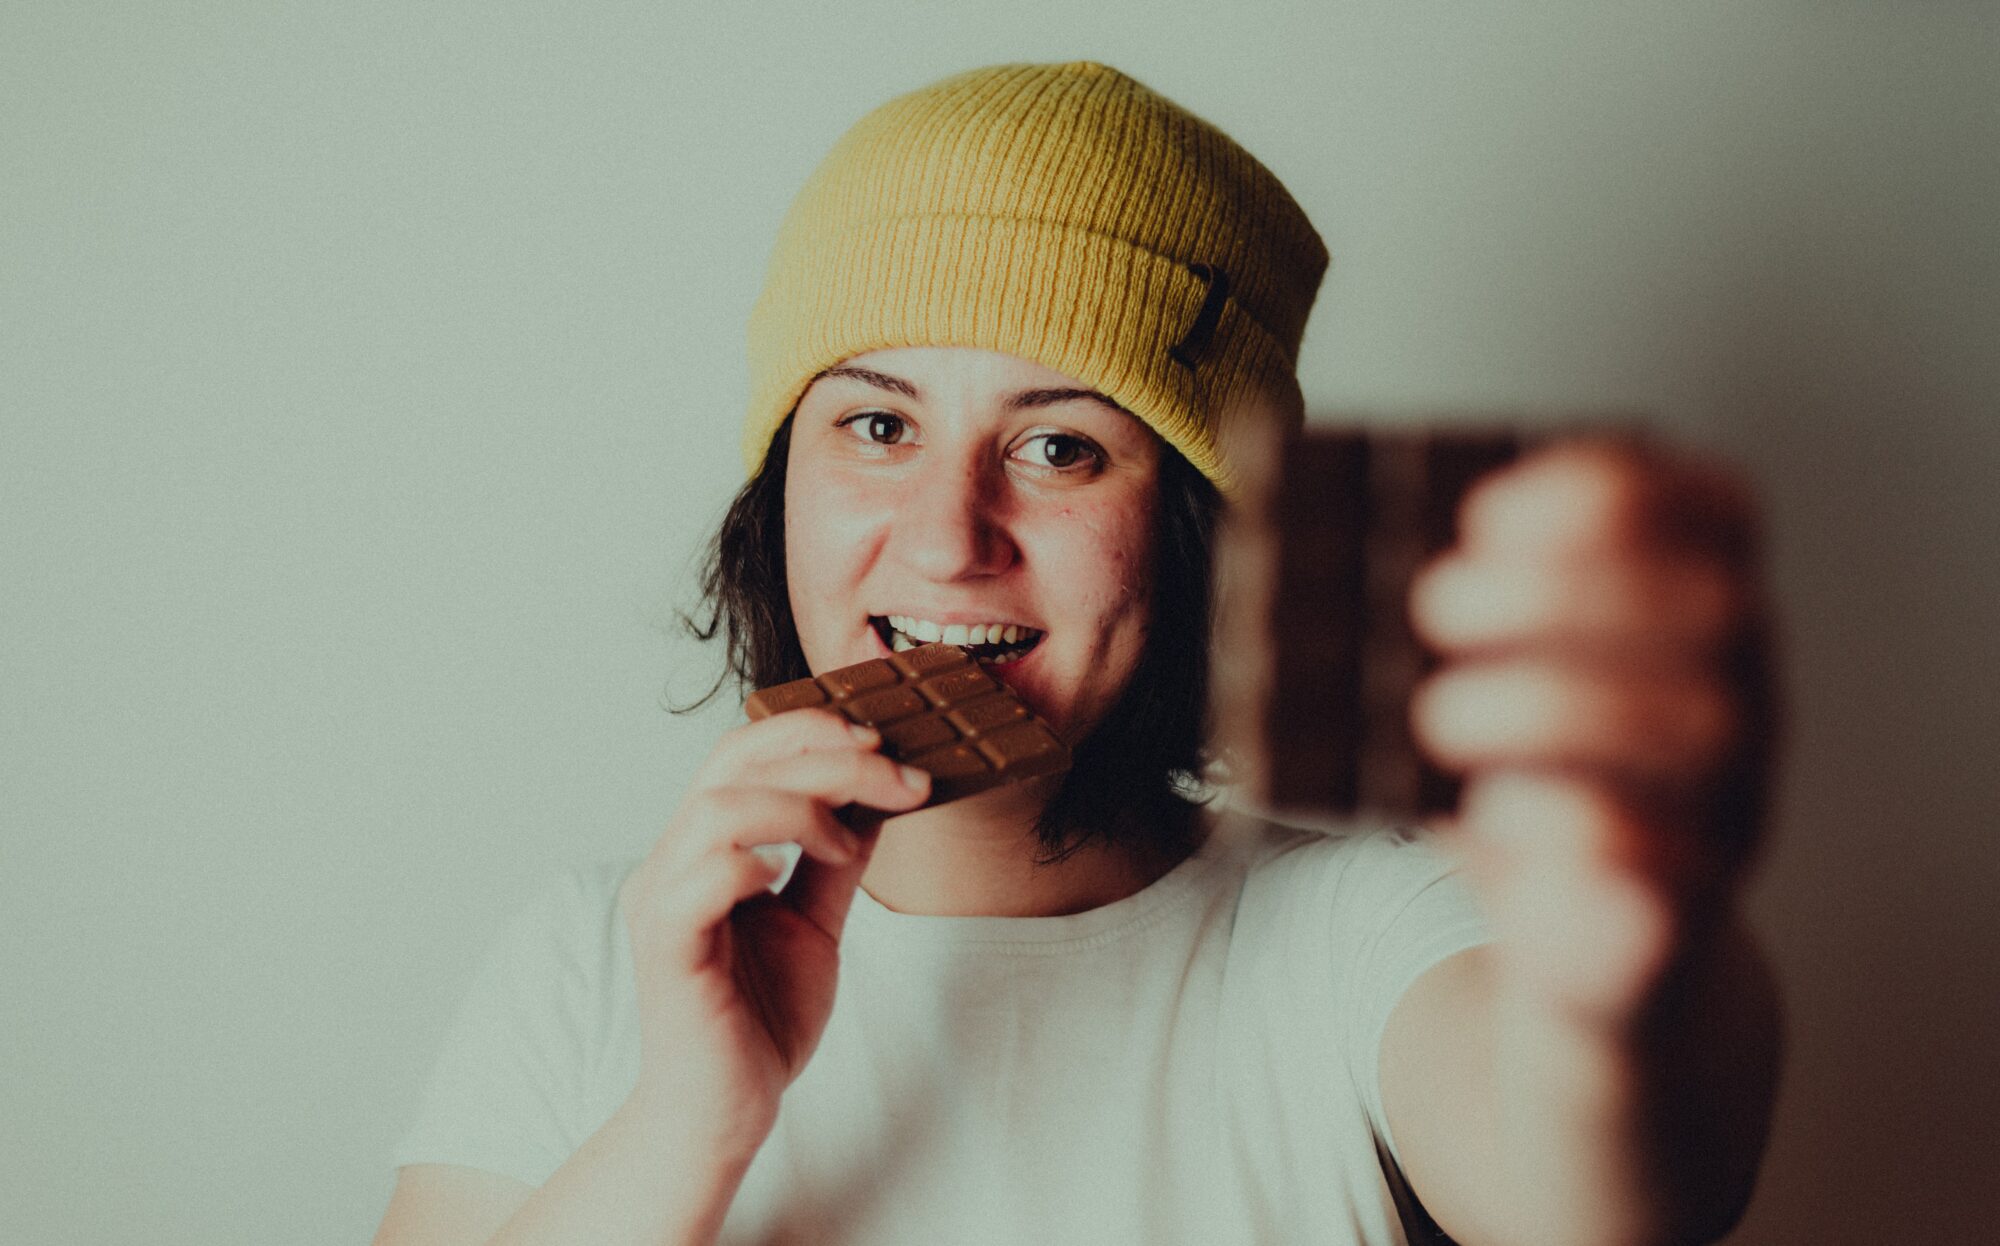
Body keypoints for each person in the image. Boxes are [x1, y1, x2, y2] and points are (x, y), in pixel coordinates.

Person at [371, 62, 1782, 1246]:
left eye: (1059, 447)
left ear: (1189, 529)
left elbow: (1615, 1191)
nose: (947, 537)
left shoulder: (1359, 933)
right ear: (777, 484)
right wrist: (689, 1117)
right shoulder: (590, 966)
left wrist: (1626, 978)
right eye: (877, 424)